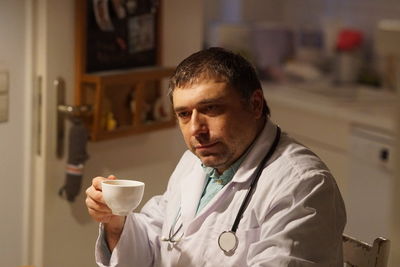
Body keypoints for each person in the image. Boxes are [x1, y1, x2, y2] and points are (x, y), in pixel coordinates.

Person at [85, 47, 346, 266]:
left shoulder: (302, 185)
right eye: (184, 114)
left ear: (254, 104)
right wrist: (116, 222)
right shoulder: (194, 162)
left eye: (211, 109)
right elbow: (154, 241)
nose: (196, 130)